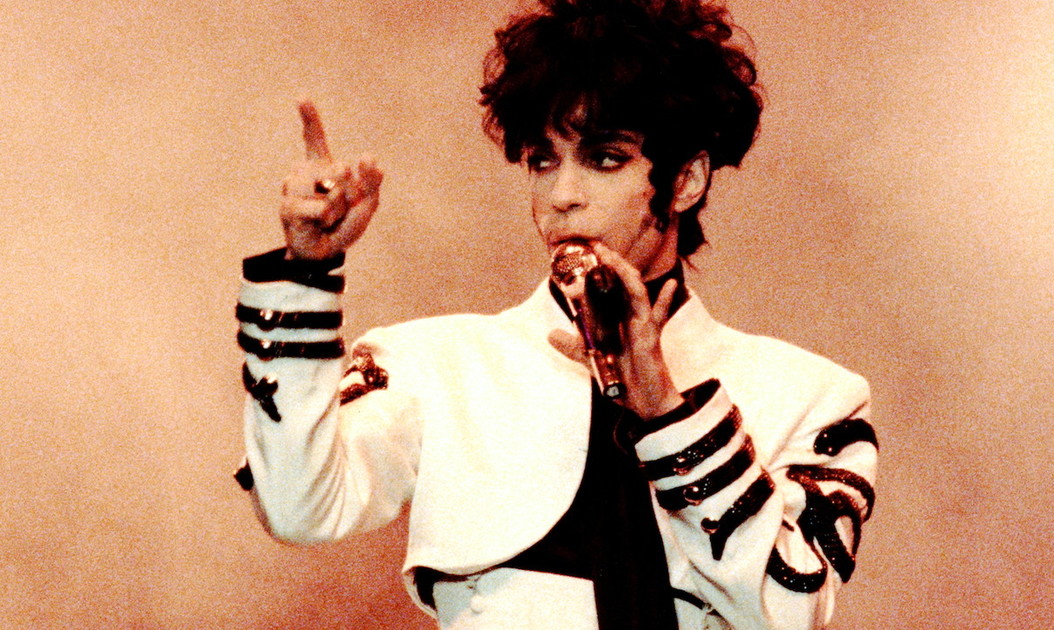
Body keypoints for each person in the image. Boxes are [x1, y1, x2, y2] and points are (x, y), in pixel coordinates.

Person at [234, 0, 878, 628]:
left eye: (605, 159)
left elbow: (790, 610)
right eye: (543, 161)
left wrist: (667, 414)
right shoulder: (436, 364)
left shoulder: (812, 395)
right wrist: (305, 274)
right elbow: (297, 508)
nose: (562, 196)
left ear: (687, 180)